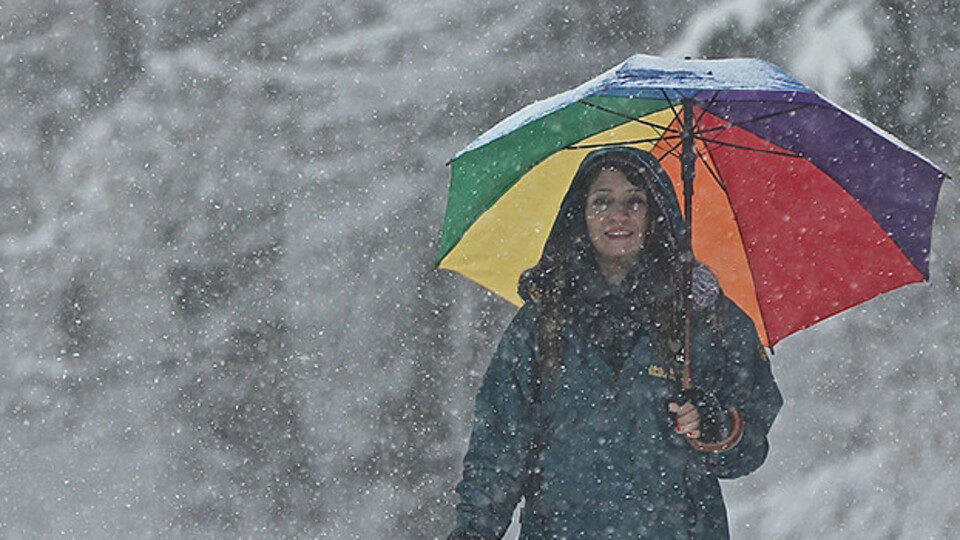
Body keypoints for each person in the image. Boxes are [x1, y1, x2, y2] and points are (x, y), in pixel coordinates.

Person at [448, 147, 783, 539]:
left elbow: (748, 446)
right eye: (602, 201)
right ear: (581, 214)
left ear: (654, 215)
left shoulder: (703, 319)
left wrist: (714, 425)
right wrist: (474, 530)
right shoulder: (541, 324)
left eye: (634, 202)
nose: (617, 215)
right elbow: (499, 447)